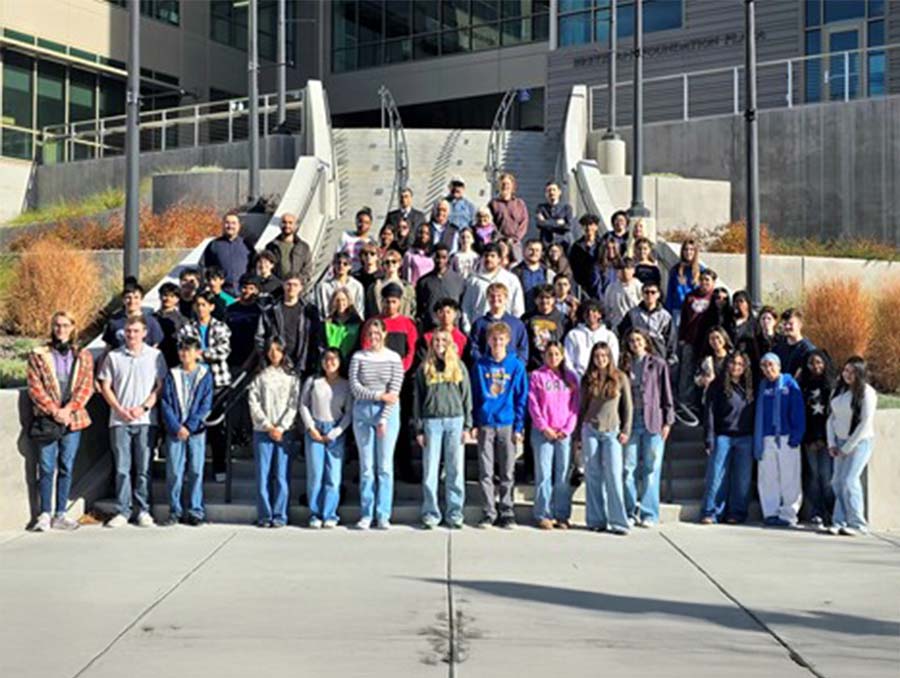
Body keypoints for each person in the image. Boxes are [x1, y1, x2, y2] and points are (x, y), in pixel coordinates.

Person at [26, 311, 95, 532]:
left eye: (65, 325)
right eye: (57, 325)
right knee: (46, 467)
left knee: (67, 465)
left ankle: (61, 513)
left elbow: (86, 386)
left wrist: (69, 409)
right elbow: (35, 387)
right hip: (48, 419)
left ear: (73, 327)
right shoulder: (39, 355)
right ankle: (44, 513)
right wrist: (54, 410)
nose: (61, 329)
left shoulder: (83, 355)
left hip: (73, 418)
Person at [98, 316, 167, 528]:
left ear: (144, 333)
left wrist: (143, 407)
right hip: (119, 421)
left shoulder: (155, 356)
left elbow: (160, 386)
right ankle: (123, 510)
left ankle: (143, 510)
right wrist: (119, 409)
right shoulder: (114, 356)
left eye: (136, 331)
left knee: (144, 468)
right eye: (128, 331)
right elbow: (105, 386)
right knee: (122, 468)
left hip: (145, 420)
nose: (132, 335)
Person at [471, 321, 529, 529]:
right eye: (494, 339)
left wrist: (519, 426)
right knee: (486, 471)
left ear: (508, 341)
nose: (497, 343)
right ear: (488, 341)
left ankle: (507, 511)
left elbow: (521, 397)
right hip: (486, 422)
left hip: (507, 422)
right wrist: (474, 422)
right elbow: (474, 395)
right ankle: (488, 511)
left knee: (507, 471)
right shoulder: (480, 366)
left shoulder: (516, 366)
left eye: (501, 339)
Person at [414, 330, 473, 529]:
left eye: (444, 340)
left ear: (450, 343)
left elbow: (467, 397)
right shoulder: (424, 368)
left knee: (455, 470)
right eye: (436, 340)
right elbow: (418, 399)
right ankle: (431, 513)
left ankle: (455, 513)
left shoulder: (458, 366)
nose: (439, 343)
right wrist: (419, 429)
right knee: (430, 470)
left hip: (455, 421)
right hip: (431, 422)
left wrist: (467, 426)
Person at [350, 318, 404, 530]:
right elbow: (355, 387)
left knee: (384, 466)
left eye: (377, 333)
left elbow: (395, 391)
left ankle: (383, 514)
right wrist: (378, 395)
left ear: (384, 333)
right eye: (370, 333)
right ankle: (366, 513)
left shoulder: (393, 358)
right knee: (366, 467)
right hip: (363, 412)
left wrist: (383, 418)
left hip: (387, 414)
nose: (373, 337)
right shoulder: (358, 357)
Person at [621, 329, 674, 528]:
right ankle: (629, 511)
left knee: (651, 468)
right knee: (628, 468)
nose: (635, 344)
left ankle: (649, 513)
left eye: (638, 340)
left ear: (645, 342)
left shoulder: (658, 364)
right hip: (631, 420)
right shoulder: (625, 365)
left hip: (653, 420)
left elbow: (666, 393)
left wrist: (668, 421)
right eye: (631, 341)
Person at [578, 342, 633, 535]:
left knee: (614, 475)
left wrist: (626, 429)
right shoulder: (587, 379)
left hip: (612, 431)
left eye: (604, 356)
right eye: (597, 356)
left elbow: (628, 406)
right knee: (593, 475)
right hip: (590, 429)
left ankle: (619, 522)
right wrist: (578, 434)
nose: (600, 359)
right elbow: (582, 407)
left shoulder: (620, 377)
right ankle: (596, 520)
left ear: (609, 357)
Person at [159, 336, 214, 527]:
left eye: (188, 350)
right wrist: (177, 427)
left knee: (196, 471)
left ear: (197, 353)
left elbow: (206, 404)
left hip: (196, 431)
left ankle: (195, 510)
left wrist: (189, 426)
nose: (184, 353)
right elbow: (165, 403)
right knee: (175, 471)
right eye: (181, 350)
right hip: (175, 431)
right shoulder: (172, 374)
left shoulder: (205, 375)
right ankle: (175, 510)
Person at [180, 289, 233, 483]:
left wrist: (200, 354)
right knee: (193, 425)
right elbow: (184, 349)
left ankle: (220, 466)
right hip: (194, 383)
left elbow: (223, 350)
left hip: (217, 383)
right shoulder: (187, 328)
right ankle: (193, 468)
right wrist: (199, 354)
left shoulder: (221, 327)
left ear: (211, 307)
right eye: (198, 305)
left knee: (217, 427)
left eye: (204, 305)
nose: (200, 308)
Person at [248, 337, 300, 528]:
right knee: (263, 475)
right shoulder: (260, 375)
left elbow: (294, 404)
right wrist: (267, 425)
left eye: (278, 349)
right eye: (271, 350)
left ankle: (280, 514)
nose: (274, 353)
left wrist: (281, 427)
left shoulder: (292, 377)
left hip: (284, 431)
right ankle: (264, 515)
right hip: (263, 431)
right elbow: (253, 402)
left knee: (281, 475)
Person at [528, 342, 579, 529]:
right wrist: (544, 427)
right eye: (550, 354)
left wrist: (567, 429)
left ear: (563, 356)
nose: (553, 358)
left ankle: (561, 515)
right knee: (544, 474)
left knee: (563, 475)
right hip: (543, 432)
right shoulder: (537, 376)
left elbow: (575, 406)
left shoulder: (571, 377)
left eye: (557, 354)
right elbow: (533, 404)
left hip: (563, 433)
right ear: (544, 356)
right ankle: (543, 514)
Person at [700, 350, 755, 525]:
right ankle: (711, 512)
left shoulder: (750, 386)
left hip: (745, 437)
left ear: (745, 367)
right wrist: (709, 438)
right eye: (733, 363)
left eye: (740, 364)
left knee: (742, 478)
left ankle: (736, 513)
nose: (736, 367)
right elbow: (709, 413)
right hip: (722, 436)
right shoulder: (716, 386)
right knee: (716, 476)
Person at [300, 349, 353, 529]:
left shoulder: (346, 385)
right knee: (315, 474)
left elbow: (349, 412)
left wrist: (336, 431)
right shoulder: (313, 381)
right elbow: (303, 405)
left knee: (333, 476)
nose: (329, 362)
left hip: (335, 429)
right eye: (326, 359)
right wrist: (310, 427)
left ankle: (330, 514)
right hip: (315, 428)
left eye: (333, 359)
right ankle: (315, 514)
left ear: (340, 362)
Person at [754, 353, 806, 527]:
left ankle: (789, 514)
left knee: (790, 477)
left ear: (779, 366)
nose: (768, 369)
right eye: (764, 366)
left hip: (786, 437)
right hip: (766, 437)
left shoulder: (789, 384)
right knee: (768, 477)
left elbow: (798, 410)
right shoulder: (762, 386)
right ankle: (771, 512)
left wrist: (796, 435)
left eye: (771, 365)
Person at [827, 356, 877, 536]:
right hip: (839, 442)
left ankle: (858, 523)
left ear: (860, 373)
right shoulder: (838, 390)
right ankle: (839, 521)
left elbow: (865, 423)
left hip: (859, 443)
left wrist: (847, 447)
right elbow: (831, 418)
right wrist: (832, 443)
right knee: (837, 481)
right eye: (846, 370)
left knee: (849, 480)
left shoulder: (867, 393)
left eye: (853, 372)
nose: (847, 375)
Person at [256, 272, 321, 378]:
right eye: (288, 284)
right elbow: (260, 337)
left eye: (295, 285)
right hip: (277, 364)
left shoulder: (310, 311)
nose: (291, 288)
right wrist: (267, 357)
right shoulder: (270, 311)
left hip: (303, 364)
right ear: (283, 285)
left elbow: (316, 337)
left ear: (301, 288)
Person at [799, 350, 835, 529]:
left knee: (827, 478)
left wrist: (824, 439)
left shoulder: (832, 386)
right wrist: (809, 439)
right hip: (809, 440)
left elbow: (833, 417)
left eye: (819, 362)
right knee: (813, 477)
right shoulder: (803, 386)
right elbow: (802, 415)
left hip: (827, 440)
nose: (815, 366)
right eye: (812, 363)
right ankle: (816, 512)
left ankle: (832, 512)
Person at [676, 269, 718, 412]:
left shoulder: (716, 298)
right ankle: (685, 404)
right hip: (690, 340)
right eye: (702, 279)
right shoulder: (690, 297)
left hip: (709, 343)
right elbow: (683, 319)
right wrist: (682, 337)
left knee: (706, 373)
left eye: (707, 280)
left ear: (713, 282)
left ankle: (705, 405)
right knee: (687, 372)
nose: (704, 282)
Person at [460, 243, 525, 332]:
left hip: (505, 330)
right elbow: (466, 307)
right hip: (480, 329)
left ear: (499, 259)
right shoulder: (474, 281)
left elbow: (518, 307)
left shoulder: (511, 279)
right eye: (486, 256)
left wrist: (514, 328)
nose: (489, 259)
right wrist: (468, 328)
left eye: (492, 256)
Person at [469, 282, 529, 365]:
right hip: (487, 368)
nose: (495, 299)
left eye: (499, 296)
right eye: (492, 296)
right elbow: (474, 347)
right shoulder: (479, 324)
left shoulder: (517, 324)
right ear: (487, 298)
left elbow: (523, 349)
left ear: (506, 298)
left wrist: (517, 366)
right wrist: (483, 365)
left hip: (511, 368)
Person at [618, 282, 677, 366]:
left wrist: (669, 359)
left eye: (653, 292)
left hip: (658, 358)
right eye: (646, 292)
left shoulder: (665, 316)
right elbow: (623, 334)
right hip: (637, 358)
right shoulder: (632, 314)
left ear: (658, 295)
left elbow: (671, 340)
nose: (649, 295)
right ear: (642, 294)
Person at [201, 210, 253, 296]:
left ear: (239, 226)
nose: (230, 226)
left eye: (233, 223)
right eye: (227, 223)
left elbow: (253, 268)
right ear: (222, 225)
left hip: (243, 294)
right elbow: (204, 267)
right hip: (222, 294)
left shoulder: (247, 246)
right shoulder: (214, 245)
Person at [564, 299, 620, 379]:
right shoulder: (573, 335)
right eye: (587, 312)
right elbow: (568, 361)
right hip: (580, 379)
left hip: (604, 379)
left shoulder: (609, 336)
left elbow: (614, 360)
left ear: (600, 314)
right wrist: (578, 379)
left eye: (594, 311)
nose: (590, 314)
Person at [102, 279, 164, 349]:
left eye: (136, 297)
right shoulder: (114, 321)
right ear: (123, 299)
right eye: (128, 297)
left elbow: (155, 346)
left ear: (141, 299)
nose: (132, 301)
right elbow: (108, 346)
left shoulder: (151, 322)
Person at [416, 244, 464, 331]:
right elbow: (419, 308)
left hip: (452, 328)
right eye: (437, 257)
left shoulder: (459, 280)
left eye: (444, 257)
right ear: (433, 257)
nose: (440, 260)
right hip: (430, 328)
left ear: (448, 258)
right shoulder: (424, 282)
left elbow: (461, 306)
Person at [225, 274, 264, 376]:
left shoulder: (260, 312)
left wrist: (251, 361)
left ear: (257, 291)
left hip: (252, 361)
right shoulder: (230, 309)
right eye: (244, 287)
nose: (247, 291)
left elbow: (260, 339)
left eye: (251, 288)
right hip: (231, 360)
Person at [523, 285, 568, 372]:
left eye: (548, 297)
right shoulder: (527, 318)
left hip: (556, 367)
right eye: (541, 297)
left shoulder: (563, 319)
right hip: (533, 367)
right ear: (535, 300)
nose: (544, 301)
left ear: (554, 299)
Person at [265, 212, 312, 286]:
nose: (287, 225)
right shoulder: (271, 247)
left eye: (290, 223)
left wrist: (294, 282)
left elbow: (307, 270)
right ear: (280, 225)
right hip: (276, 288)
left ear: (295, 226)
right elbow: (267, 269)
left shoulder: (303, 247)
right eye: (284, 222)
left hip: (296, 288)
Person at [366, 249, 416, 319]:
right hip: (380, 323)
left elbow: (413, 310)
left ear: (399, 264)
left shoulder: (407, 288)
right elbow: (369, 310)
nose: (390, 264)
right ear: (383, 265)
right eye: (387, 262)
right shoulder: (374, 287)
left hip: (401, 323)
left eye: (394, 261)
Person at [489, 172, 528, 259]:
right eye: (503, 183)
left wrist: (515, 238)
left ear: (513, 186)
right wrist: (500, 238)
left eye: (508, 184)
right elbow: (490, 223)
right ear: (499, 186)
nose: (505, 186)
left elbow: (524, 223)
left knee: (517, 265)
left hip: (515, 243)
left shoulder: (519, 204)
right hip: (499, 243)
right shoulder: (493, 203)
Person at [665, 239, 703, 327]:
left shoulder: (701, 270)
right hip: (678, 309)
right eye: (686, 249)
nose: (688, 252)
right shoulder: (676, 270)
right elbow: (670, 292)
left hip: (694, 310)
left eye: (691, 249)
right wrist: (668, 311)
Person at [512, 238, 555, 314]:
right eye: (531, 250)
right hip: (523, 314)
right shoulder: (515, 272)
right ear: (524, 251)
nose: (534, 253)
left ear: (541, 253)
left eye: (537, 250)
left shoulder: (548, 273)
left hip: (543, 315)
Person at [316, 252, 365, 316]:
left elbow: (360, 309)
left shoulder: (357, 286)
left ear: (350, 266)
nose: (341, 266)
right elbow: (324, 309)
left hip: (352, 321)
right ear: (334, 265)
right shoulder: (324, 286)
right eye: (338, 263)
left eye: (345, 264)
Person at [324, 288, 363, 367]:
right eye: (337, 300)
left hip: (352, 363)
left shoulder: (357, 322)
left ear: (349, 301)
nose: (340, 303)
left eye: (343, 300)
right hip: (332, 364)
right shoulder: (327, 323)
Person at [775, 308, 816, 379]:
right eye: (785, 324)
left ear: (800, 325)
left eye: (791, 324)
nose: (787, 326)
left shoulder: (808, 350)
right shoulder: (778, 347)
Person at [155, 282, 189, 368]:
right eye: (165, 295)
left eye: (172, 296)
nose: (168, 299)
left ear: (177, 299)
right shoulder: (152, 318)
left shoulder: (183, 320)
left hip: (175, 360)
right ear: (160, 296)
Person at [694, 326, 734, 398]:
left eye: (718, 337)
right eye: (712, 339)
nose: (715, 341)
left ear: (724, 337)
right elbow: (697, 378)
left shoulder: (734, 357)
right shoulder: (706, 360)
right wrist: (703, 380)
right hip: (711, 397)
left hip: (730, 396)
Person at [603, 258, 643, 330]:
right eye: (621, 269)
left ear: (633, 270)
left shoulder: (639, 287)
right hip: (616, 326)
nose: (625, 271)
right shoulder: (611, 288)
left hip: (635, 326)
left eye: (628, 268)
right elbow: (607, 309)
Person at [535, 181, 575, 248]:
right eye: (549, 190)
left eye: (554, 190)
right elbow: (539, 224)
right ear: (545, 194)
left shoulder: (567, 208)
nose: (551, 192)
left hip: (563, 242)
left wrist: (546, 222)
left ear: (559, 192)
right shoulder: (541, 208)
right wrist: (557, 222)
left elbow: (568, 226)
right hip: (546, 243)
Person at [569, 214, 601, 295]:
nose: (588, 227)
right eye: (585, 225)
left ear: (596, 227)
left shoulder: (602, 244)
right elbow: (573, 265)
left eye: (591, 224)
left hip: (600, 284)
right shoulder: (576, 246)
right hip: (584, 286)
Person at [339, 207, 376, 272]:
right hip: (346, 272)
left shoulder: (371, 241)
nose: (363, 225)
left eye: (366, 223)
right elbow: (338, 255)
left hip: (361, 273)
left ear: (370, 225)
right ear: (356, 221)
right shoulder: (346, 236)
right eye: (360, 221)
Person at [401, 222, 435, 286]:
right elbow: (407, 278)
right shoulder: (409, 254)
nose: (423, 236)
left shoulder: (433, 255)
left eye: (427, 234)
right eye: (421, 232)